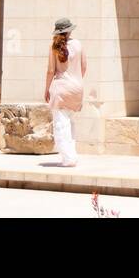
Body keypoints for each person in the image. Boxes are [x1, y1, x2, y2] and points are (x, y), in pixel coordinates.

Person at [44, 16, 86, 166]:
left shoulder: (54, 47)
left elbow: (50, 71)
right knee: (71, 122)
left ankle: (68, 158)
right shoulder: (79, 45)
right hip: (77, 89)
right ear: (69, 31)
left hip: (61, 88)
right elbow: (83, 68)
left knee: (61, 125)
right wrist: (76, 81)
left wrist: (47, 89)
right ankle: (72, 154)